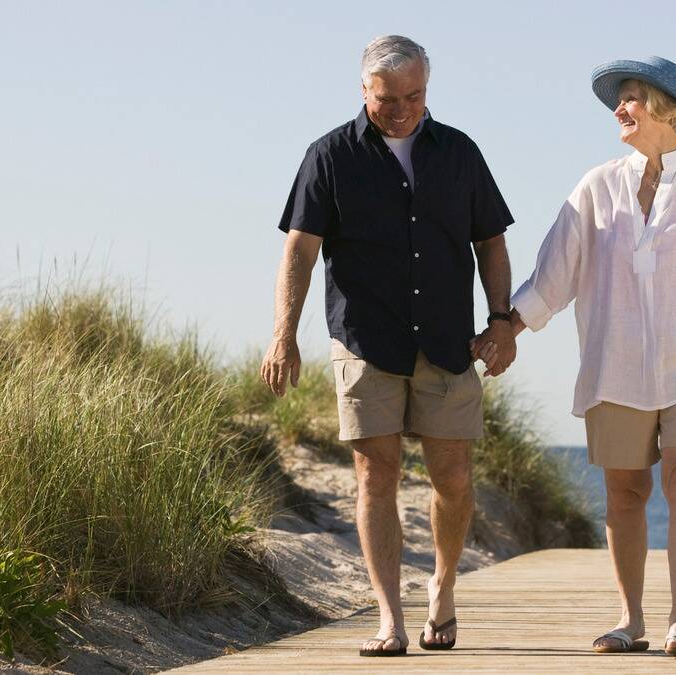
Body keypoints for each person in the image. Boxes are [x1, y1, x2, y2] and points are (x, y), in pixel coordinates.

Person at [474, 56, 676, 659]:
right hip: (614, 366)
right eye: (620, 99)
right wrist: (504, 333)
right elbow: (553, 277)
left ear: (671, 113)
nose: (619, 109)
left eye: (631, 98)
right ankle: (630, 620)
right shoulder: (595, 186)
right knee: (625, 494)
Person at [261, 35, 516, 657]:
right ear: (363, 91)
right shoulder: (329, 156)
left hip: (448, 343)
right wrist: (283, 334)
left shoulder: (459, 152)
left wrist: (503, 321)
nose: (403, 109)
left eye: (416, 95)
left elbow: (491, 243)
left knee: (452, 477)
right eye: (388, 98)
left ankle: (444, 587)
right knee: (375, 474)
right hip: (365, 341)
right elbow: (299, 249)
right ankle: (388, 619)